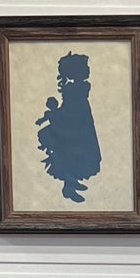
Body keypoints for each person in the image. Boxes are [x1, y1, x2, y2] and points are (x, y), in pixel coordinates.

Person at [37, 53, 102, 202]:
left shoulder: (79, 86)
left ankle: (73, 180)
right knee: (72, 153)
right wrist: (56, 116)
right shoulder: (72, 88)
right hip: (74, 124)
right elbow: (69, 108)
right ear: (75, 71)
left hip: (82, 122)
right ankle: (68, 187)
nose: (88, 70)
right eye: (85, 67)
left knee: (82, 151)